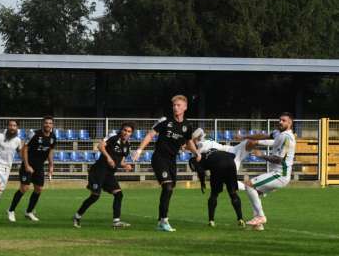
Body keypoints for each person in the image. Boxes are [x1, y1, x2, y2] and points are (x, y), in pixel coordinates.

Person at [132, 95, 200, 232]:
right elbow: (150, 134)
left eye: (179, 105)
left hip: (172, 161)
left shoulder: (187, 126)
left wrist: (196, 153)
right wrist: (139, 150)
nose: (176, 107)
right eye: (174, 105)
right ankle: (164, 221)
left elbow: (188, 142)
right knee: (168, 187)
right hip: (159, 158)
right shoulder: (165, 121)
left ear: (185, 107)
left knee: (168, 189)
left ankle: (160, 221)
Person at [239, 112, 296, 230]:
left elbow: (278, 159)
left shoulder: (287, 137)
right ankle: (258, 224)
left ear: (290, 123)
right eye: (280, 119)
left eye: (284, 120)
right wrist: (246, 137)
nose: (280, 122)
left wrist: (261, 155)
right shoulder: (278, 133)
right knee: (255, 192)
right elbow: (263, 135)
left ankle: (260, 216)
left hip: (280, 175)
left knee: (249, 185)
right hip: (276, 173)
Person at [73, 122, 135, 229]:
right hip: (98, 171)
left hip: (109, 174)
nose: (126, 133)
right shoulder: (114, 137)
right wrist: (108, 157)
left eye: (129, 131)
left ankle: (116, 221)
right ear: (121, 130)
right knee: (95, 196)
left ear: (131, 134)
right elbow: (100, 146)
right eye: (125, 130)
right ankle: (77, 216)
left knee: (119, 194)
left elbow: (120, 161)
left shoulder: (127, 146)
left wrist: (125, 166)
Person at [7, 116, 56, 222]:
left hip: (39, 167)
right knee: (24, 188)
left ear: (52, 125)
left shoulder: (53, 137)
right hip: (28, 164)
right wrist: (26, 165)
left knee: (39, 189)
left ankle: (29, 212)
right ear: (43, 124)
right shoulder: (34, 134)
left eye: (50, 123)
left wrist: (51, 165)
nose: (48, 125)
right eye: (46, 123)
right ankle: (11, 210)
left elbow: (51, 151)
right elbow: (25, 148)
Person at [189, 149, 245, 228]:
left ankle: (211, 221)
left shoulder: (198, 160)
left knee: (214, 194)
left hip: (218, 166)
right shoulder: (214, 152)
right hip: (231, 164)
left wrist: (202, 183)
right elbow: (233, 155)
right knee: (233, 193)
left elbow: (200, 171)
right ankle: (240, 219)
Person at [0, 119, 23, 206]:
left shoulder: (18, 141)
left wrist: (26, 163)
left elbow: (20, 153)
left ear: (17, 128)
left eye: (14, 126)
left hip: (7, 168)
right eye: (10, 125)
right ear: (7, 126)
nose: (12, 127)